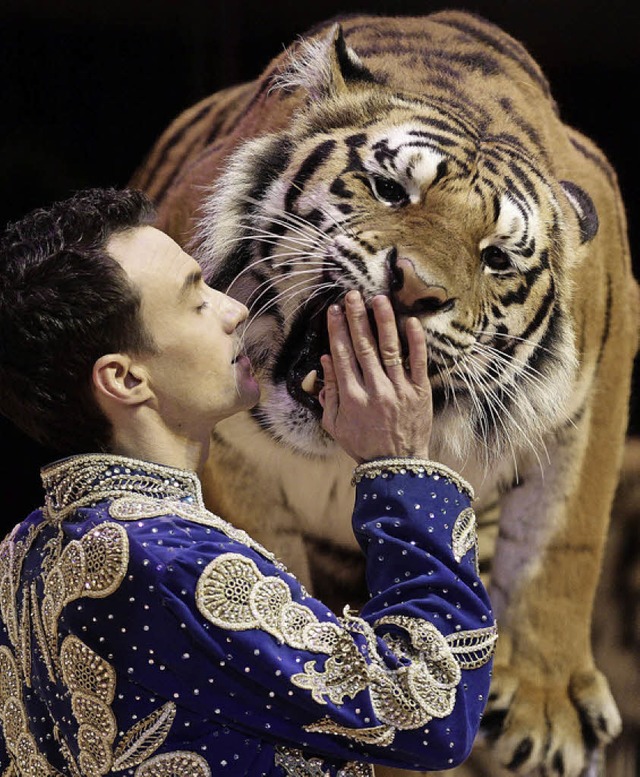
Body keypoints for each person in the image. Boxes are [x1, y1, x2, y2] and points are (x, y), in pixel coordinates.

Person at [0, 188, 497, 777]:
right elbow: (433, 713)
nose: (234, 309)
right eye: (196, 301)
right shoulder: (164, 559)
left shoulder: (26, 546)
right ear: (126, 379)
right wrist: (402, 466)